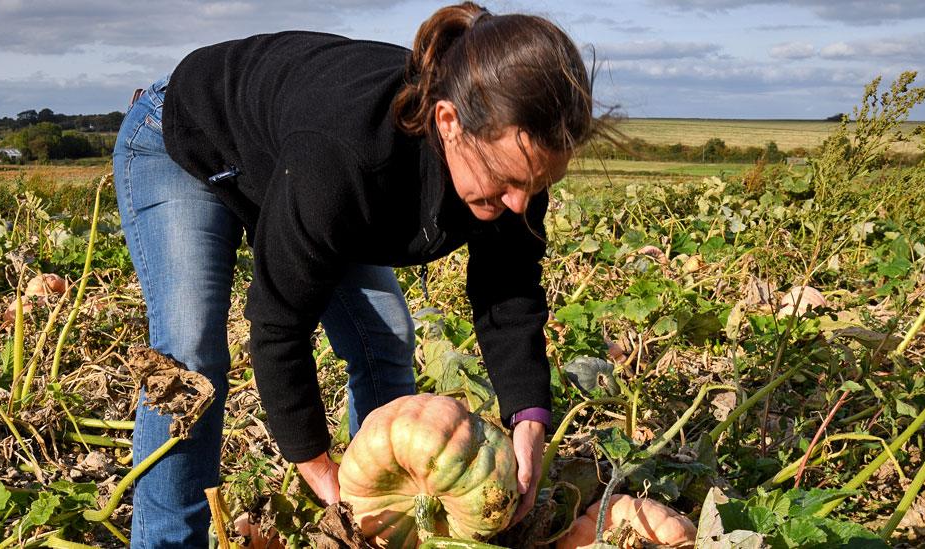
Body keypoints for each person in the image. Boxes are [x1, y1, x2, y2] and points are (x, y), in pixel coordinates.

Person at [112, 2, 593, 546]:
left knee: (385, 334)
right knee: (190, 354)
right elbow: (277, 325)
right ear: (448, 122)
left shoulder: (516, 164)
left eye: (536, 183)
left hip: (287, 160)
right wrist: (327, 478)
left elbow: (507, 292)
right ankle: (167, 540)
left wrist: (529, 418)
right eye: (506, 181)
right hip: (185, 142)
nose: (519, 202)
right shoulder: (348, 155)